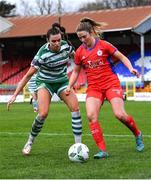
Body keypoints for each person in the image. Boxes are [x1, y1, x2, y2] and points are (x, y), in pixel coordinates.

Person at [65, 17, 144, 159]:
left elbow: (121, 57)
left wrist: (131, 68)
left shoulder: (104, 45)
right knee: (91, 116)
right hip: (94, 88)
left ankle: (137, 134)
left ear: (91, 33)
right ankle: (103, 150)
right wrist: (69, 86)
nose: (82, 40)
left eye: (84, 36)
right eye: (79, 38)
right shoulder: (79, 52)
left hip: (111, 84)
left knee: (120, 115)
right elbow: (76, 71)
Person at [7, 26, 82, 155]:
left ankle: (78, 146)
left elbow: (78, 60)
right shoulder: (41, 55)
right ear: (48, 40)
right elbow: (28, 76)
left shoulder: (66, 47)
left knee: (75, 109)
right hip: (45, 83)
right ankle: (30, 141)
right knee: (43, 114)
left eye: (59, 40)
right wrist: (14, 95)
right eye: (54, 41)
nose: (57, 43)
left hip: (62, 81)